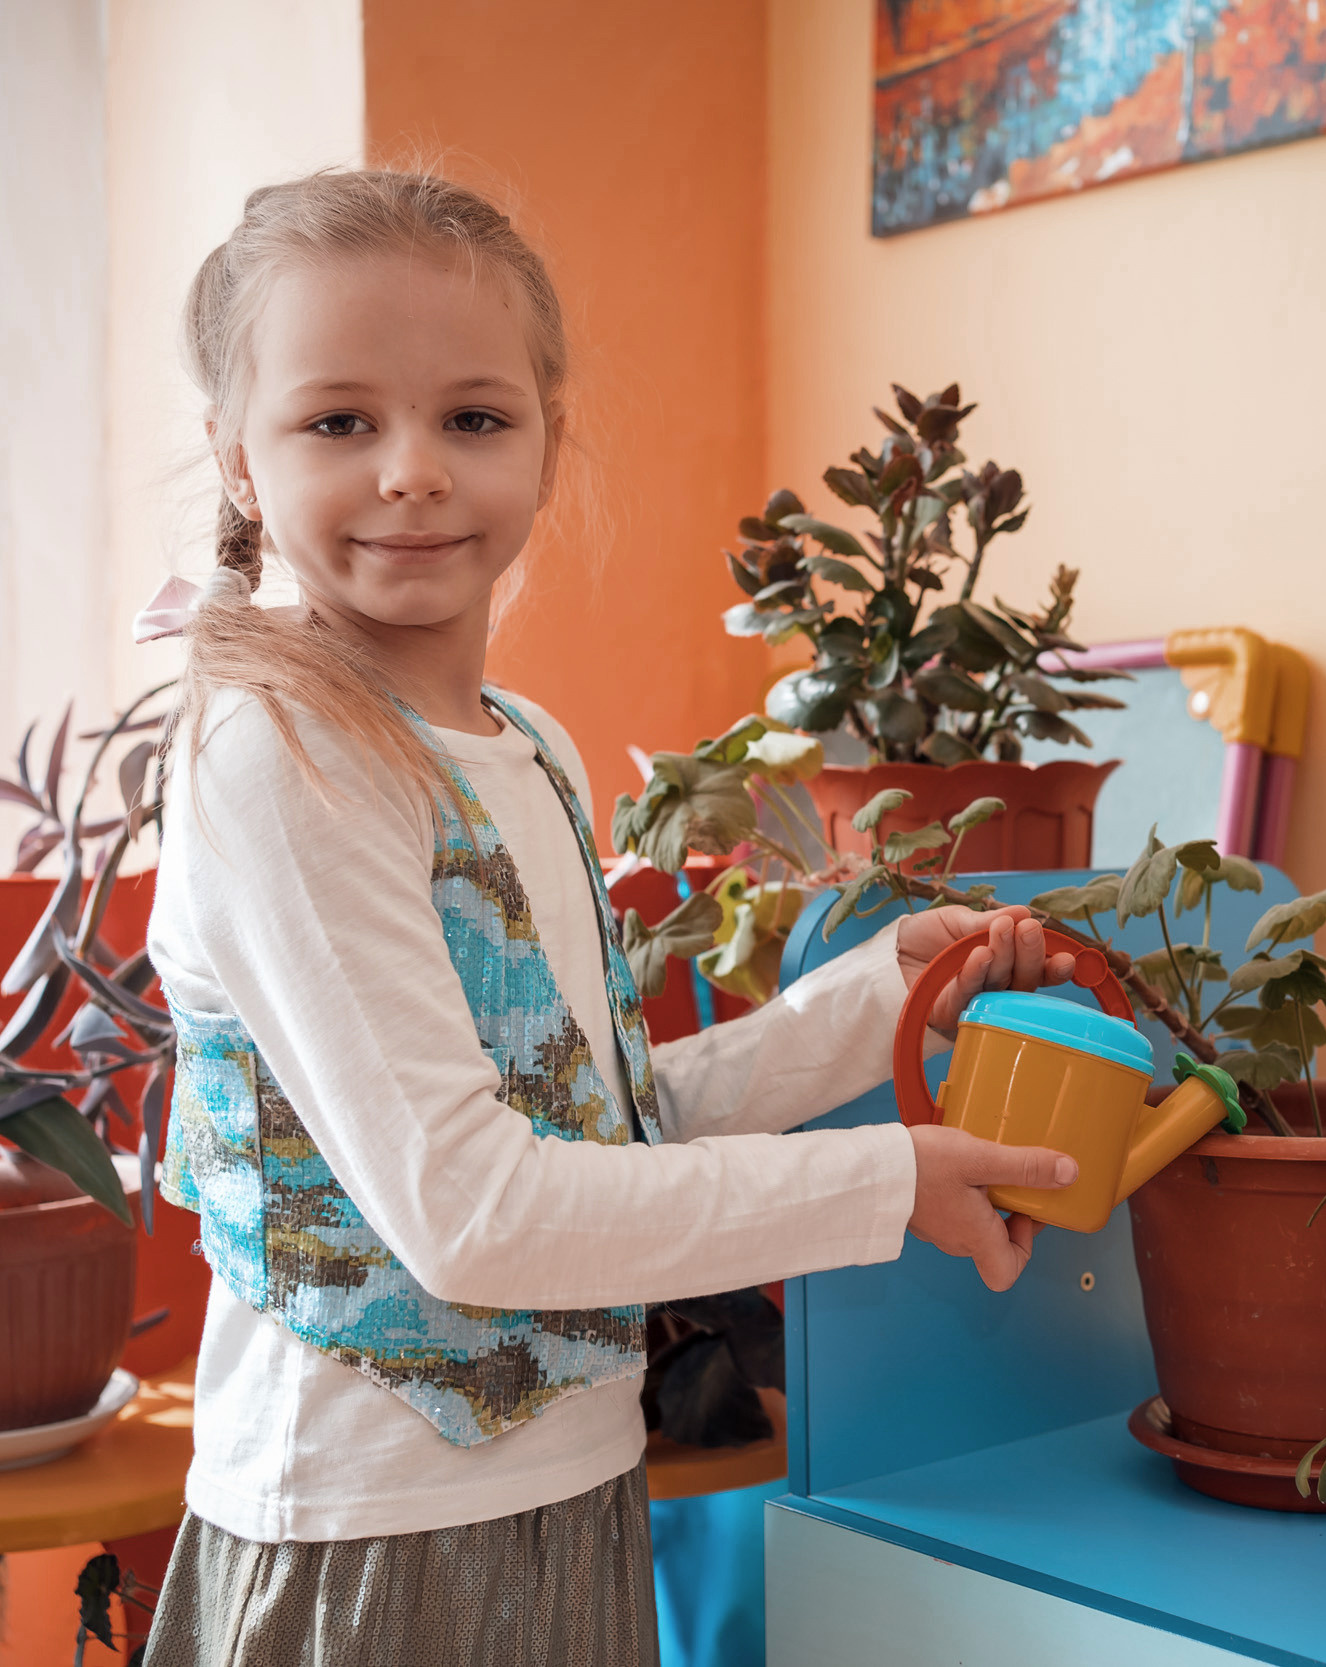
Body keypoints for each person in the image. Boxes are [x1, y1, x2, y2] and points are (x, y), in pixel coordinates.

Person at [135, 168, 1075, 1667]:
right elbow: (475, 1213)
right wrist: (885, 1182)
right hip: (368, 1544)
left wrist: (867, 1005)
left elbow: (597, 1132)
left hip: (568, 1494)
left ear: (548, 444)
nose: (413, 472)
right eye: (339, 422)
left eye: (473, 418)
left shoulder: (529, 749)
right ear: (238, 460)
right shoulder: (283, 757)